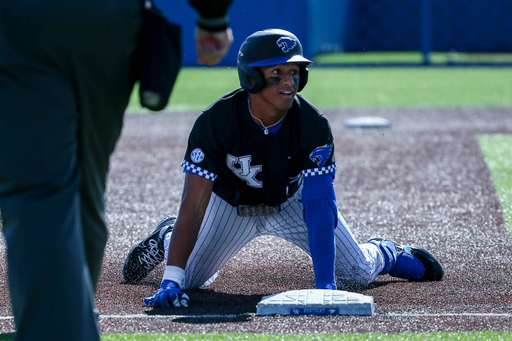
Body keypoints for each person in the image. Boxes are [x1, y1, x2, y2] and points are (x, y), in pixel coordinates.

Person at [123, 29, 444, 308]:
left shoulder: (313, 125)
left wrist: (326, 287)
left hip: (294, 202)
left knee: (356, 273)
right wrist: (171, 279)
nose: (289, 81)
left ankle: (385, 252)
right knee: (188, 280)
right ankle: (166, 239)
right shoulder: (215, 122)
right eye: (276, 73)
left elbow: (320, 206)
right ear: (250, 76)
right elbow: (193, 206)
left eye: (294, 72)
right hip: (232, 207)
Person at [0, 0, 233, 340]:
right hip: (111, 21)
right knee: (87, 180)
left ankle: (59, 330)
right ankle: (75, 316)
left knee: (38, 192)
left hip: (26, 18)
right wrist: (213, 17)